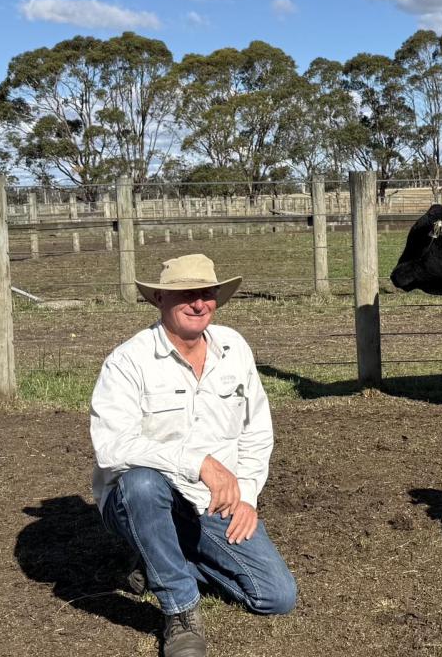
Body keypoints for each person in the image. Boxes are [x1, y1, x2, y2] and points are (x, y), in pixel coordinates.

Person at [90, 254, 296, 657]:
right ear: (160, 300)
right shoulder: (128, 362)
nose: (198, 303)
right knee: (142, 482)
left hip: (212, 504)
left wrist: (248, 496)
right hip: (143, 499)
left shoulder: (234, 348)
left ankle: (157, 555)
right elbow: (112, 448)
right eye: (186, 294)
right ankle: (180, 612)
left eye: (206, 293)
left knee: (276, 596)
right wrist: (197, 462)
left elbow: (257, 430)